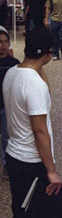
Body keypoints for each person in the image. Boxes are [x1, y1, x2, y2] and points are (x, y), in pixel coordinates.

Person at [4, 28, 61, 217]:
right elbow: (40, 130)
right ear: (49, 52)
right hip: (32, 160)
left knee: (19, 207)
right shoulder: (34, 85)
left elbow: (46, 94)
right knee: (37, 212)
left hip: (14, 153)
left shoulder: (13, 73)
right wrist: (51, 170)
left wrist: (39, 64)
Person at [0, 26, 19, 178]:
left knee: (7, 136)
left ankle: (7, 165)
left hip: (7, 106)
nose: (3, 45)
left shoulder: (14, 63)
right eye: (0, 42)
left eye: (6, 42)